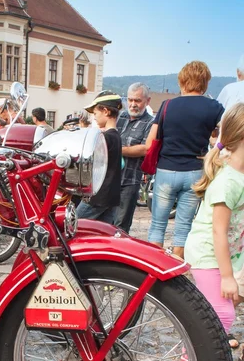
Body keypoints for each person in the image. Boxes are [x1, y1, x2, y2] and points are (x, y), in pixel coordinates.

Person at [185, 103, 244, 361]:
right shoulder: (228, 182)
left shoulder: (237, 175)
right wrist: (227, 276)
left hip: (225, 254)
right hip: (209, 255)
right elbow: (218, 231)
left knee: (223, 310)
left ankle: (195, 353)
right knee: (220, 315)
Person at [147, 61, 224, 258]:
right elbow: (227, 134)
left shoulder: (167, 105)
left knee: (157, 225)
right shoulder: (214, 107)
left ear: (182, 80)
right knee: (183, 228)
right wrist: (214, 150)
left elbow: (151, 141)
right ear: (205, 82)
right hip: (195, 171)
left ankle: (153, 271)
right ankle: (176, 276)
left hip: (166, 170)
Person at [113, 83, 154, 233]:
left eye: (137, 101)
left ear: (147, 101)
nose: (133, 104)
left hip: (130, 181)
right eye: (130, 100)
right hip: (110, 179)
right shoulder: (119, 117)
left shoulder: (150, 122)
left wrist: (116, 149)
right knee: (104, 224)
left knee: (121, 227)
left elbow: (145, 149)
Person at [76, 91, 122, 223]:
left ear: (106, 111)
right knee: (102, 233)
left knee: (73, 225)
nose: (94, 118)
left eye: (95, 113)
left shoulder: (106, 138)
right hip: (110, 195)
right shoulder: (116, 136)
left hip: (99, 195)